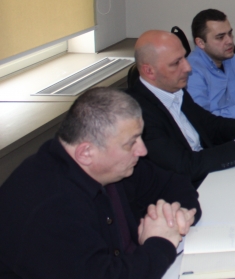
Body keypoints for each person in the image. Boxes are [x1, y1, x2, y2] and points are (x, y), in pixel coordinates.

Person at [0, 87, 200, 279]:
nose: (142, 150)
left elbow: (175, 184)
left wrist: (174, 218)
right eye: (131, 142)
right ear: (86, 153)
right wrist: (161, 241)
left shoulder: (114, 166)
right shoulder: (48, 208)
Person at [127, 30, 235, 188]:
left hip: (210, 173)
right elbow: (185, 166)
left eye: (184, 58)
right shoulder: (136, 113)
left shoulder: (174, 89)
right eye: (176, 63)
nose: (187, 67)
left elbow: (209, 123)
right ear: (149, 71)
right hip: (187, 190)